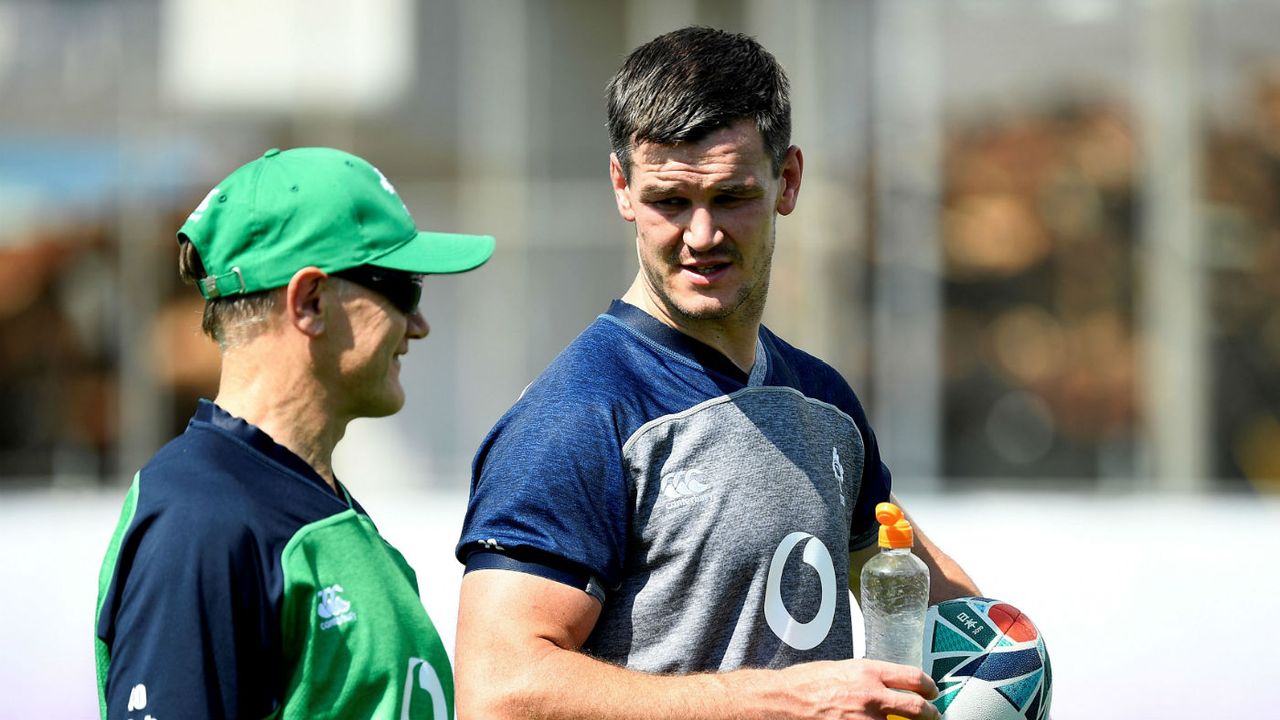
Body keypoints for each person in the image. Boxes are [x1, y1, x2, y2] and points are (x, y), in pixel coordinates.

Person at [453, 27, 980, 720]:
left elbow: (931, 595)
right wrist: (780, 700)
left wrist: (1005, 659)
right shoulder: (580, 415)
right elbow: (496, 690)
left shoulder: (821, 401)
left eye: (731, 196)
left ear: (787, 181)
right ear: (622, 187)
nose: (702, 236)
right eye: (670, 201)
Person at [94, 147, 494, 720]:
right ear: (309, 302)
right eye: (403, 289)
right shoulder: (202, 518)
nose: (419, 325)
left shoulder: (302, 502)